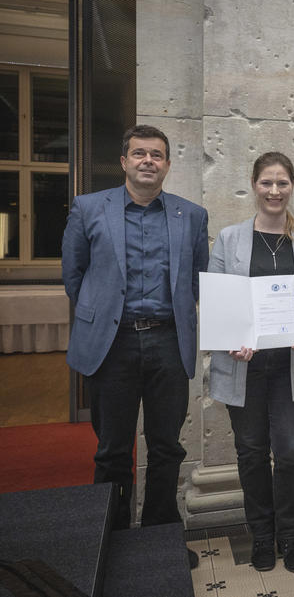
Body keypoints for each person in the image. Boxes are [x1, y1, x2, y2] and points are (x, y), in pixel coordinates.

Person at [61, 124, 208, 569]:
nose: (148, 161)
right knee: (112, 451)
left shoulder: (192, 215)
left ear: (167, 164)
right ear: (124, 161)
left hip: (168, 341)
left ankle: (161, 537)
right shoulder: (88, 208)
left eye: (157, 155)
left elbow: (201, 279)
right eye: (139, 153)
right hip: (113, 344)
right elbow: (74, 275)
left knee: (167, 448)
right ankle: (113, 541)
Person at [207, 152, 294, 572]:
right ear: (254, 185)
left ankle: (290, 537)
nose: (275, 191)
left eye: (282, 183)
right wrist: (231, 339)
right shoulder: (229, 238)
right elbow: (219, 298)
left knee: (292, 453)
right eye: (266, 183)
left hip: (291, 367)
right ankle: (261, 536)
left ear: (293, 186)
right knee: (251, 453)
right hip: (245, 367)